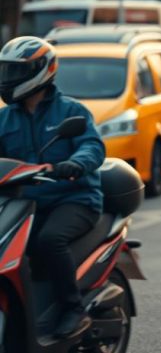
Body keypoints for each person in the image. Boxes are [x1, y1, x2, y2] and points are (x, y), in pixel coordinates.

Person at [0, 37, 105, 338]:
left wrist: (75, 164)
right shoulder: (5, 119)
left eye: (15, 72)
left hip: (73, 199)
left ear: (42, 71)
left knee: (49, 240)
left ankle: (74, 309)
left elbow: (92, 147)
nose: (7, 80)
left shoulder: (72, 112)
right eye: (5, 71)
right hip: (23, 202)